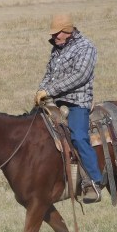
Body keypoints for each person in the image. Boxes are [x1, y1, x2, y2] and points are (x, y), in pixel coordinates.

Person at [35, 14, 102, 203]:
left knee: (79, 137)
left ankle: (94, 182)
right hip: (54, 100)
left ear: (68, 31)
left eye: (57, 34)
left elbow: (79, 76)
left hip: (77, 101)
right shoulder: (57, 49)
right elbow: (49, 74)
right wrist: (41, 90)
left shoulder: (86, 47)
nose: (55, 37)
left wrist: (50, 89)